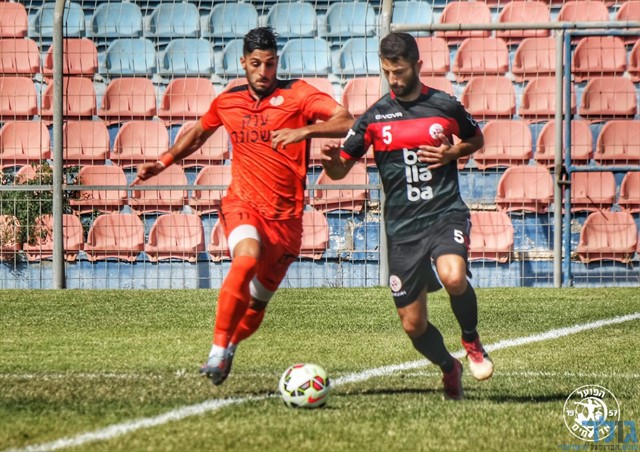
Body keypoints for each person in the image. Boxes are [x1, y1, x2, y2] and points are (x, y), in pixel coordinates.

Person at [134, 27, 354, 385]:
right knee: (245, 259)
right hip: (243, 203)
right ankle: (216, 350)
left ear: (276, 62)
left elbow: (346, 120)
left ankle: (230, 348)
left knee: (256, 305)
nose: (263, 72)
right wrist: (163, 162)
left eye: (270, 64)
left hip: (287, 220)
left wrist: (305, 131)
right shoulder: (228, 101)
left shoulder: (298, 95)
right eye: (256, 64)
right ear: (243, 63)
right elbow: (199, 133)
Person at [320, 32, 493, 400]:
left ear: (417, 66)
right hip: (402, 231)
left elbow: (476, 140)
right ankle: (449, 366)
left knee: (454, 275)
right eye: (387, 72)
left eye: (399, 71)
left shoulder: (444, 105)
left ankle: (471, 340)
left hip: (444, 213)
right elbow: (339, 170)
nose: (393, 79)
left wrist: (452, 153)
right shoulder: (374, 117)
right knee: (413, 325)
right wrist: (330, 161)